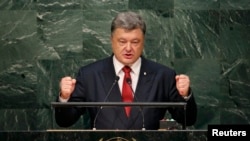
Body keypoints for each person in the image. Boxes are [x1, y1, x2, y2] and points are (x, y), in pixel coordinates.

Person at [55, 11, 197, 130]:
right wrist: (64, 97)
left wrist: (185, 96)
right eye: (122, 42)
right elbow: (64, 121)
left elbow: (188, 120)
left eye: (135, 42)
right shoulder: (90, 75)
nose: (128, 48)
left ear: (143, 41)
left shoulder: (163, 75)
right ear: (111, 40)